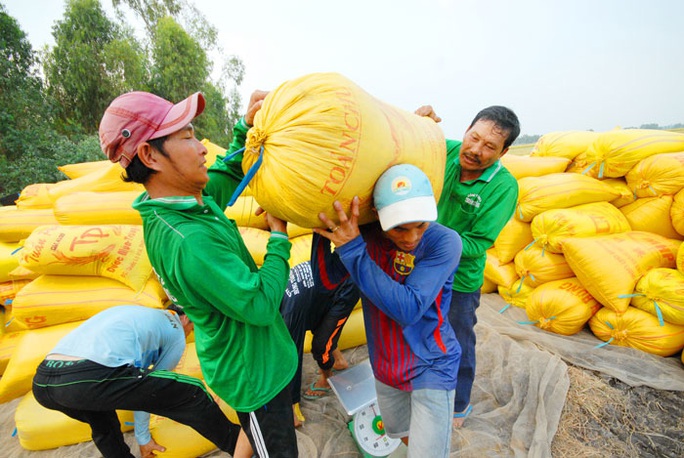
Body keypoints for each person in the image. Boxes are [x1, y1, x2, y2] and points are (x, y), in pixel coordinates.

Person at [99, 90, 299, 457]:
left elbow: (221, 179)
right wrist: (279, 236)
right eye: (188, 136)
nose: (203, 147)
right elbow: (259, 305)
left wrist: (244, 129)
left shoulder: (182, 203)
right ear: (149, 156)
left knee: (256, 439)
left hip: (263, 357)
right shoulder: (188, 241)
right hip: (255, 375)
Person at [313, 164, 462, 457]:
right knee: (401, 435)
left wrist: (354, 250)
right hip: (385, 366)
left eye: (421, 224)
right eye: (399, 228)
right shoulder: (365, 237)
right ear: (379, 216)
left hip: (432, 364)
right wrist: (323, 230)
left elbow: (408, 309)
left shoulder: (444, 242)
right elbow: (327, 281)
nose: (411, 238)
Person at [416, 104, 521, 428]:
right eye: (473, 138)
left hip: (459, 278)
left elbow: (477, 244)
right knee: (418, 332)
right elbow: (408, 148)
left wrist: (420, 236)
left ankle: (458, 404)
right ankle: (421, 388)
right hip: (418, 266)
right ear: (465, 131)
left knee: (457, 340)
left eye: (489, 146)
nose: (475, 150)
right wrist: (419, 126)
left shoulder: (503, 187)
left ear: (503, 152)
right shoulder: (445, 153)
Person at [32, 305, 251, 458]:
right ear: (186, 318)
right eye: (192, 328)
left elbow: (139, 388)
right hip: (88, 376)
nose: (189, 333)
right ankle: (242, 447)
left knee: (101, 418)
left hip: (43, 382)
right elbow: (150, 394)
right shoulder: (175, 330)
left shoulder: (140, 314)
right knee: (191, 392)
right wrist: (144, 438)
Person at [279, 248, 360, 427]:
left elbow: (293, 357)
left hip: (347, 285)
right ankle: (339, 360)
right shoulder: (276, 283)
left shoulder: (288, 313)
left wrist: (293, 404)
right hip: (324, 284)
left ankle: (327, 378)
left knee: (321, 345)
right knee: (320, 322)